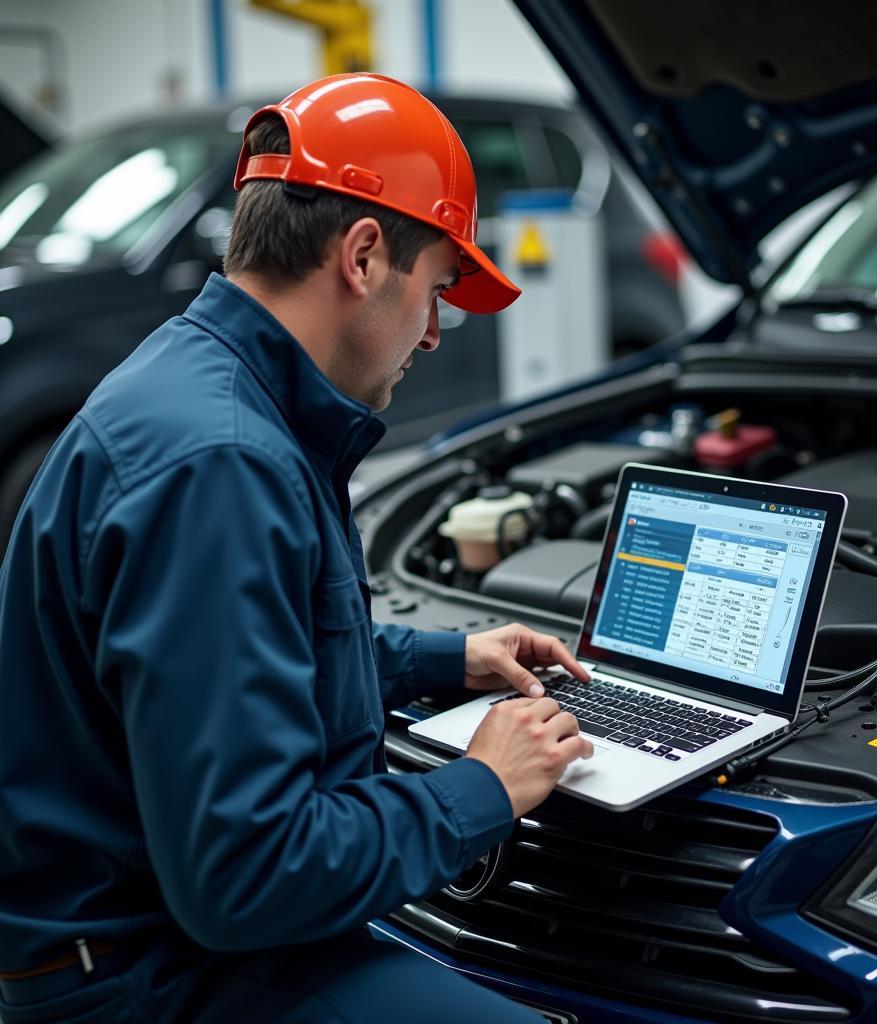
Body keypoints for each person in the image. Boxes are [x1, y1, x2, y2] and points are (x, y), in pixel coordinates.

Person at [0, 73, 594, 1023]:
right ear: (363, 255)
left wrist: (448, 659)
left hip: (151, 929)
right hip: (146, 977)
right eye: (438, 288)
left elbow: (246, 654)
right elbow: (247, 876)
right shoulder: (222, 466)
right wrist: (481, 787)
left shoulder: (203, 386)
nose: (437, 332)